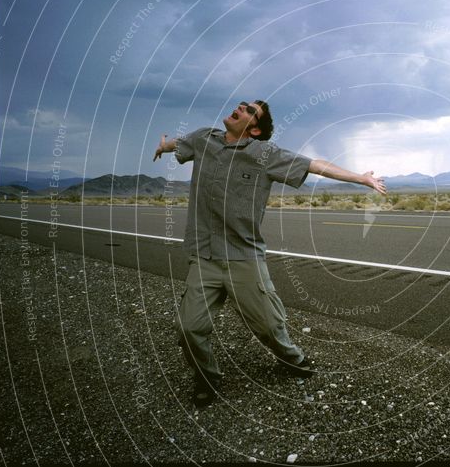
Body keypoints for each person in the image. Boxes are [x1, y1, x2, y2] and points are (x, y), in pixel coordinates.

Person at [153, 99, 386, 407]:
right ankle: (206, 377)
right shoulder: (203, 139)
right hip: (205, 256)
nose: (240, 107)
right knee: (188, 327)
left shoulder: (265, 155)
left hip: (243, 257)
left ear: (255, 128)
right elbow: (178, 144)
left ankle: (292, 359)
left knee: (268, 325)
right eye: (242, 104)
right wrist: (164, 145)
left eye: (249, 110)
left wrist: (361, 178)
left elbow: (313, 164)